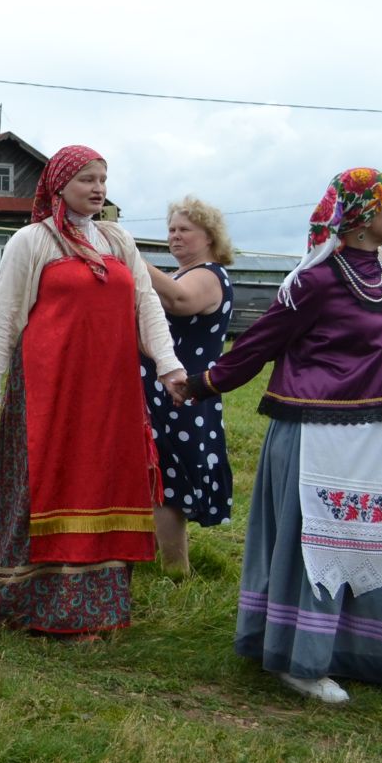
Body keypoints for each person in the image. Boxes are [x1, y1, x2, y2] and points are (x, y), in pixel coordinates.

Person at [188, 168, 382, 703]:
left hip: (380, 433)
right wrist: (205, 383)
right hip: (317, 432)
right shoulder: (314, 280)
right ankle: (300, 659)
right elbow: (263, 340)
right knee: (319, 545)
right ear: (363, 215)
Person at [0, 145, 185, 635]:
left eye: (103, 179)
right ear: (58, 186)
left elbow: (146, 303)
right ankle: (26, 594)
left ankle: (99, 606)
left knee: (103, 481)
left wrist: (169, 364)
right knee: (47, 481)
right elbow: (4, 315)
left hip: (110, 390)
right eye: (87, 179)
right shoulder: (32, 241)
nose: (98, 189)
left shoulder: (118, 240)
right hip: (49, 390)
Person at [140, 196, 236, 575]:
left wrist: (131, 257)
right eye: (171, 230)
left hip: (185, 391)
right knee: (161, 477)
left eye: (185, 230)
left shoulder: (209, 275)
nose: (175, 237)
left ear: (209, 237)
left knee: (170, 480)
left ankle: (176, 571)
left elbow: (180, 303)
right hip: (165, 391)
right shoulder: (180, 273)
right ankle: (163, 562)